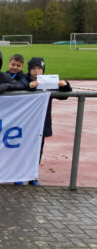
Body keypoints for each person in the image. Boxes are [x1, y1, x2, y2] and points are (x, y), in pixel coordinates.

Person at [22, 57, 73, 185]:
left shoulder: (47, 82)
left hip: (42, 122)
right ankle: (20, 173)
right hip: (25, 122)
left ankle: (33, 175)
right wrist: (29, 86)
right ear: (29, 69)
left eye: (39, 68)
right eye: (33, 68)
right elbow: (20, 86)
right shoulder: (24, 79)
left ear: (43, 70)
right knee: (23, 148)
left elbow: (65, 95)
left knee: (38, 148)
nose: (36, 71)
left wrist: (65, 84)